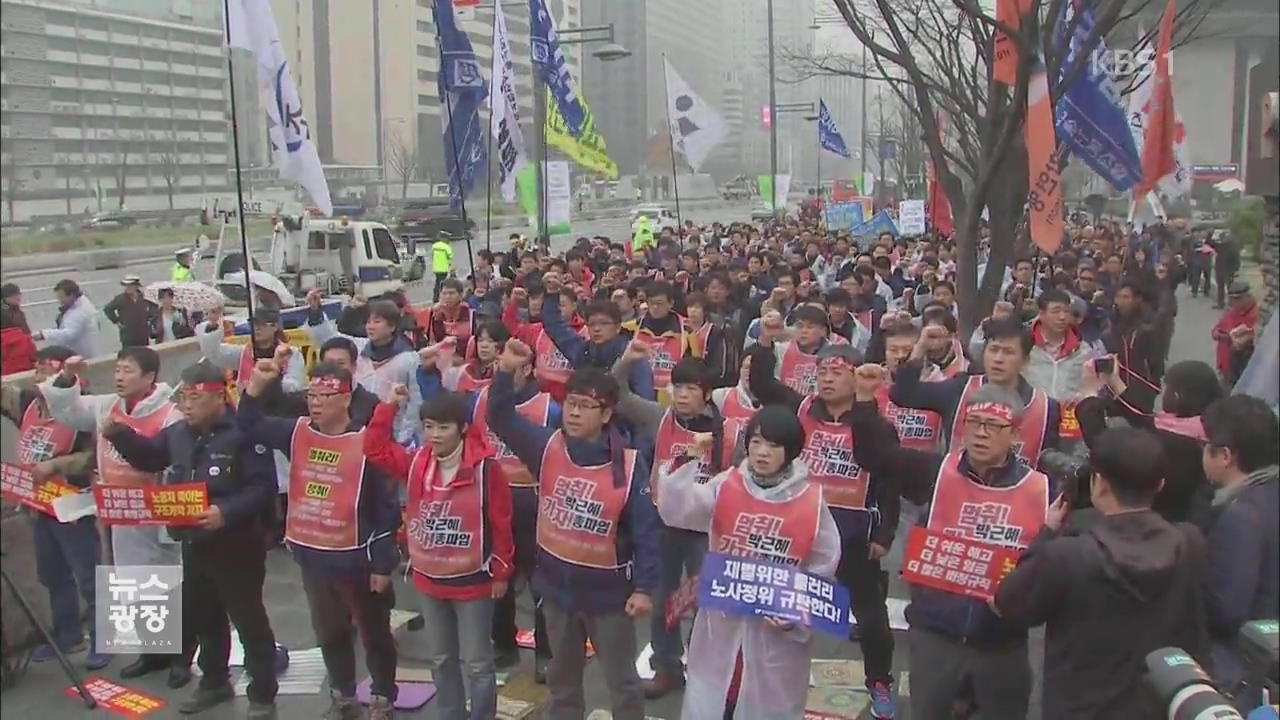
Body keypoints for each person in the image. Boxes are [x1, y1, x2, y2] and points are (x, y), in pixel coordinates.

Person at [486, 342, 660, 720]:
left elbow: (646, 532)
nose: (575, 413)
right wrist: (505, 371)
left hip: (609, 597)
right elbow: (499, 418)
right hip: (557, 590)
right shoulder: (545, 446)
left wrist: (645, 588)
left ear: (607, 413)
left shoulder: (630, 467)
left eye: (586, 406)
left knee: (622, 683)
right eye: (571, 404)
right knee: (563, 683)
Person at [992, 427, 1211, 719]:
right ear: (1159, 484)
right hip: (1159, 705)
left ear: (1100, 485)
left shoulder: (1067, 555)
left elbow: (1008, 602)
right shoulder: (1189, 543)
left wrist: (1045, 532)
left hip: (1080, 710)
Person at [102, 362, 279, 718]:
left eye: (195, 397)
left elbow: (263, 488)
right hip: (193, 541)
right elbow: (151, 457)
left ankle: (262, 691)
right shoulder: (179, 433)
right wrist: (119, 435)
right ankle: (214, 681)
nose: (186, 405)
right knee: (205, 616)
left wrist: (225, 512)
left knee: (248, 620)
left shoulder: (243, 432)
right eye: (183, 396)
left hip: (237, 545)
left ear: (218, 397)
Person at [237, 360, 402, 720]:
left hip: (357, 559)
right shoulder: (295, 432)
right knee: (330, 632)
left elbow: (386, 509)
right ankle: (342, 694)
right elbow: (248, 427)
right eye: (311, 395)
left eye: (325, 396)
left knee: (374, 635)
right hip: (312, 557)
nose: (315, 403)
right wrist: (255, 388)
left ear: (346, 399)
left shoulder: (366, 442)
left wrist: (382, 564)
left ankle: (382, 696)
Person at [746, 342, 902, 717]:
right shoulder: (801, 409)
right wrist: (767, 341)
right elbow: (761, 385)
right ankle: (771, 684)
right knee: (784, 610)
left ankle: (879, 681)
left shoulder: (875, 423)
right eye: (822, 373)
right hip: (801, 526)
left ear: (856, 376)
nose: (828, 380)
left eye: (837, 373)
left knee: (869, 616)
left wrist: (883, 536)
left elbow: (888, 481)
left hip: (853, 533)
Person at [655, 406, 842, 720]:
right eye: (755, 443)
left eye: (772, 445)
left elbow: (823, 567)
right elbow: (680, 509)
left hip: (774, 633)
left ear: (791, 451)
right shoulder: (729, 483)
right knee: (714, 701)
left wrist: (793, 613)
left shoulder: (810, 499)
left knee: (765, 705)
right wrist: (688, 457)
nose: (762, 453)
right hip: (722, 621)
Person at [892, 384, 1053, 719]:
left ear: (1015, 435)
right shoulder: (938, 472)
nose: (980, 434)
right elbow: (877, 456)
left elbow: (1046, 567)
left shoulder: (1040, 489)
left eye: (993, 427)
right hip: (935, 633)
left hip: (1001, 641)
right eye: (973, 422)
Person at [40, 346, 192, 686]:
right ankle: (153, 651)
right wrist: (67, 379)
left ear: (150, 377)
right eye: (118, 369)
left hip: (156, 512)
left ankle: (181, 655)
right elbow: (68, 411)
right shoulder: (107, 405)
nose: (120, 377)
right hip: (119, 511)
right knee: (136, 583)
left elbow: (167, 459)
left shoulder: (170, 413)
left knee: (169, 584)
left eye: (128, 370)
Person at [364, 388, 514, 720]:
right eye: (429, 426)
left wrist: (502, 572)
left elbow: (501, 521)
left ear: (462, 428)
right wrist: (388, 406)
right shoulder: (417, 461)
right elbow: (373, 448)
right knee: (442, 658)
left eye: (443, 427)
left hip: (474, 582)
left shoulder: (486, 468)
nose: (434, 435)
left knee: (477, 663)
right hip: (429, 580)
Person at [611, 349, 744, 698]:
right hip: (664, 524)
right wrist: (628, 360)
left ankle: (706, 672)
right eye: (677, 387)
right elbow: (617, 394)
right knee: (662, 597)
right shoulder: (661, 417)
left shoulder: (730, 431)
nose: (682, 395)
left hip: (710, 531)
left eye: (690, 388)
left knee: (708, 605)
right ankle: (666, 667)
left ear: (707, 392)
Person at [0, 346, 108, 670]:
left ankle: (103, 639)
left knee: (88, 575)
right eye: (38, 368)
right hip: (37, 504)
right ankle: (67, 634)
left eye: (49, 369)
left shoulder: (87, 408)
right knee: (52, 574)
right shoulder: (28, 403)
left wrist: (58, 464)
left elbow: (97, 456)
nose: (40, 375)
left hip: (73, 501)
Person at [891, 317, 1061, 468]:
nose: (998, 359)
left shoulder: (1046, 408)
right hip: (958, 493)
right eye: (993, 350)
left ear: (1024, 361)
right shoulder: (959, 388)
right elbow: (903, 394)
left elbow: (1047, 469)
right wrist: (921, 347)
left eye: (1008, 352)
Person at [1199, 395, 1279, 699]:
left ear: (1225, 456)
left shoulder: (1241, 516)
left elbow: (1228, 609)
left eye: (1205, 446)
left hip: (1250, 673)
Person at [1076, 359, 1224, 524]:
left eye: (1167, 388)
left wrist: (1089, 396)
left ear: (1176, 396)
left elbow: (1104, 448)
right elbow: (1144, 420)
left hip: (1148, 523)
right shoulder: (1204, 429)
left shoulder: (1178, 445)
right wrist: (1116, 383)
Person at [304, 289, 423, 444]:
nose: (370, 326)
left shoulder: (408, 358)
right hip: (359, 427)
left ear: (392, 326)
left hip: (392, 431)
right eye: (368, 322)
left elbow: (415, 401)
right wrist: (315, 311)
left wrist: (404, 436)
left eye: (377, 322)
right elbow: (329, 337)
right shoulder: (359, 348)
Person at [540, 272, 655, 400]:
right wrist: (552, 293)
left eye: (604, 323)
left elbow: (645, 401)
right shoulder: (583, 351)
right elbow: (554, 325)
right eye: (592, 324)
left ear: (617, 327)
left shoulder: (632, 356)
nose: (597, 329)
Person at [33, 279, 101, 359]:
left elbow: (69, 334)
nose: (60, 301)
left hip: (81, 354)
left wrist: (44, 334)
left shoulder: (80, 311)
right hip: (81, 352)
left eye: (61, 297)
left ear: (71, 295)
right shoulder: (81, 305)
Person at [1211, 280, 1259, 386]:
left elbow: (1253, 340)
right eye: (1231, 300)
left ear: (1248, 297)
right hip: (1224, 365)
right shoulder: (1232, 311)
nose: (1234, 303)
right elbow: (1217, 328)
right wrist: (1217, 333)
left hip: (1241, 369)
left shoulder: (1257, 316)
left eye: (1238, 299)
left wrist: (1233, 338)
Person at [103, 276, 156, 348]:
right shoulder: (120, 299)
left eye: (130, 286)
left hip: (142, 333)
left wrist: (149, 318)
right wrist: (117, 321)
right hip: (127, 335)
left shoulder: (144, 297)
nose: (128, 288)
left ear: (136, 286)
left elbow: (154, 307)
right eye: (126, 286)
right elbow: (108, 309)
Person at [2, 282, 36, 375]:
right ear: (5, 298)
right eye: (14, 295)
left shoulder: (16, 310)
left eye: (18, 294)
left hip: (23, 351)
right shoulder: (5, 314)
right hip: (13, 354)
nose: (18, 297)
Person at [432, 235, 454, 302]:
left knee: (437, 283)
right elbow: (450, 257)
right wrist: (451, 266)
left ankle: (435, 297)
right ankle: (441, 298)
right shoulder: (447, 247)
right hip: (443, 269)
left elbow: (433, 255)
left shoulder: (434, 246)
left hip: (436, 268)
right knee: (442, 284)